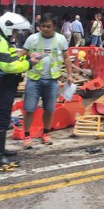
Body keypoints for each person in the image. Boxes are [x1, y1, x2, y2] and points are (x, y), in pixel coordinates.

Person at [0, 12, 39, 167]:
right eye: (15, 31)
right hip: (0, 86)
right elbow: (8, 66)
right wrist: (30, 64)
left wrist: (28, 58)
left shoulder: (5, 42)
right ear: (7, 28)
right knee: (1, 119)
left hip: (5, 86)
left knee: (3, 118)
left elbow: (13, 59)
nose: (16, 34)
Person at [22, 13, 74, 148]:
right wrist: (27, 58)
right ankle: (27, 136)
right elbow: (21, 55)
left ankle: (46, 133)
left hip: (52, 81)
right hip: (34, 80)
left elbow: (66, 58)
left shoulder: (61, 39)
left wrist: (70, 75)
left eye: (48, 26)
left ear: (54, 27)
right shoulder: (31, 39)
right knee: (29, 109)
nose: (45, 29)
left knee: (49, 109)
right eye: (43, 26)